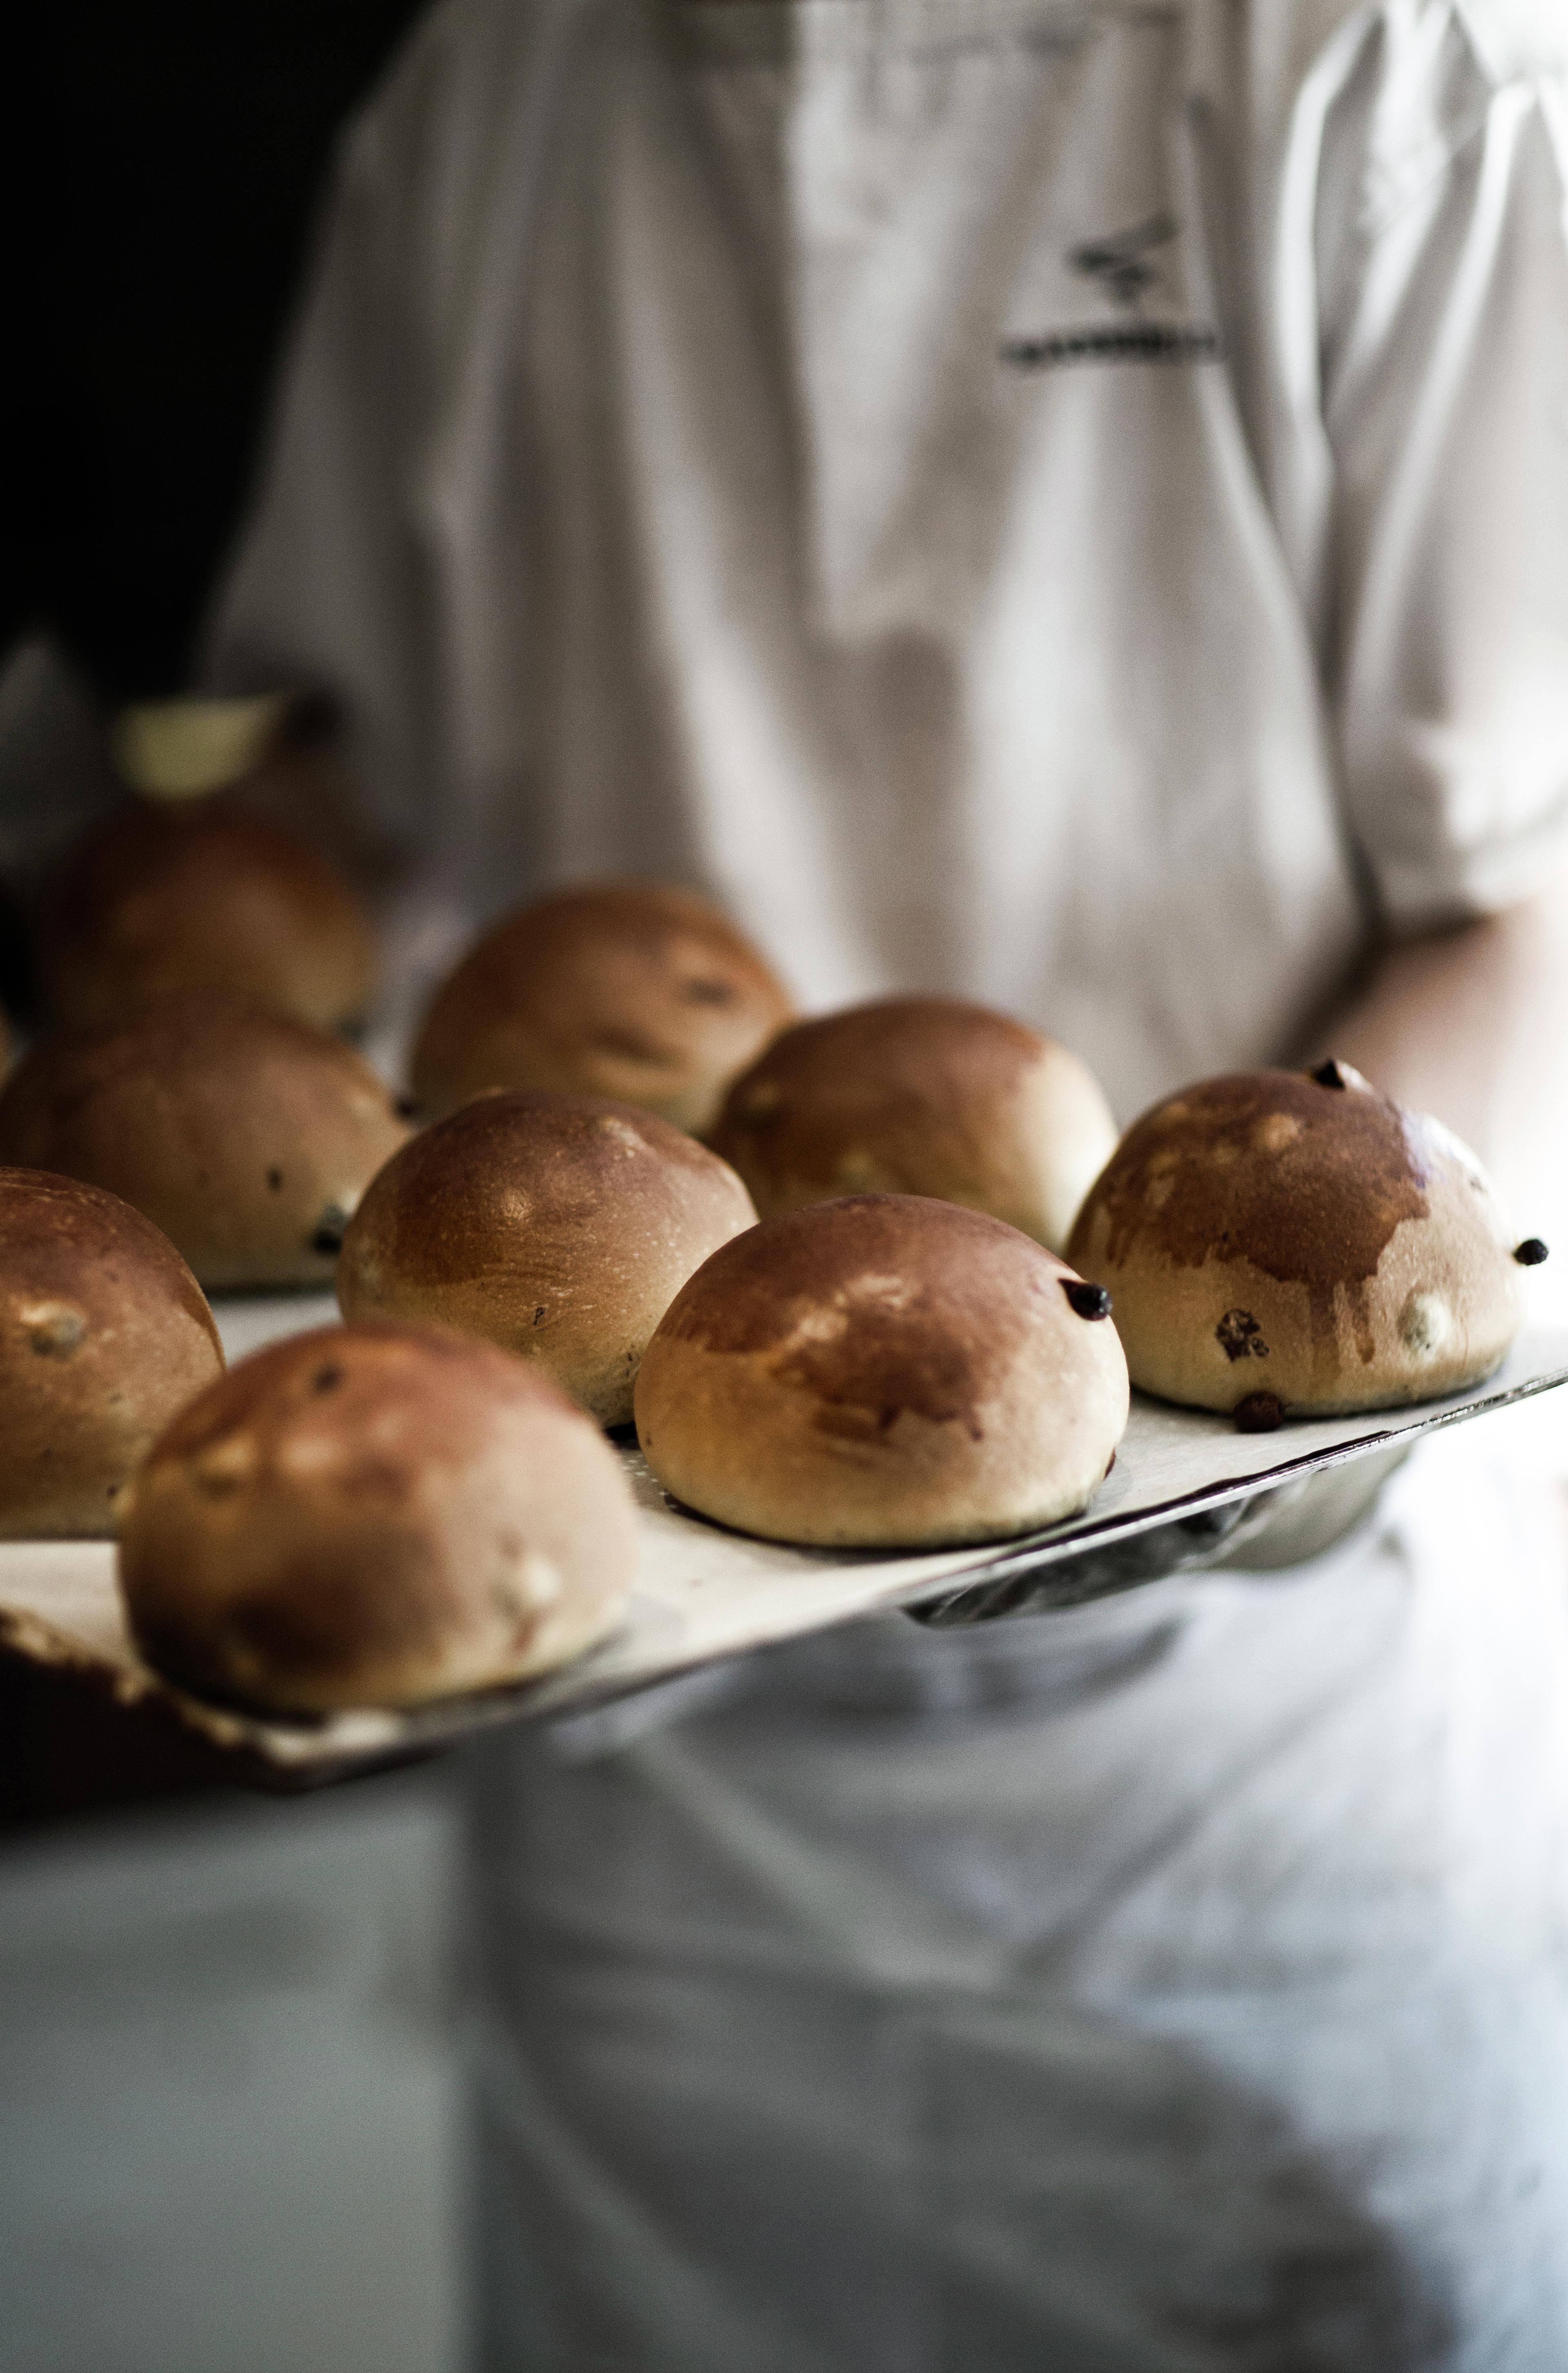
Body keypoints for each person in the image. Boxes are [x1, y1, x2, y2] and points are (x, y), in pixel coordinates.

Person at [210, 0, 1568, 2363]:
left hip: (1262, 1759)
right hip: (639, 1739)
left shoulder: (1392, 68)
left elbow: (1531, 893)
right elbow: (339, 784)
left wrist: (1174, 1441)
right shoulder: (499, 89)